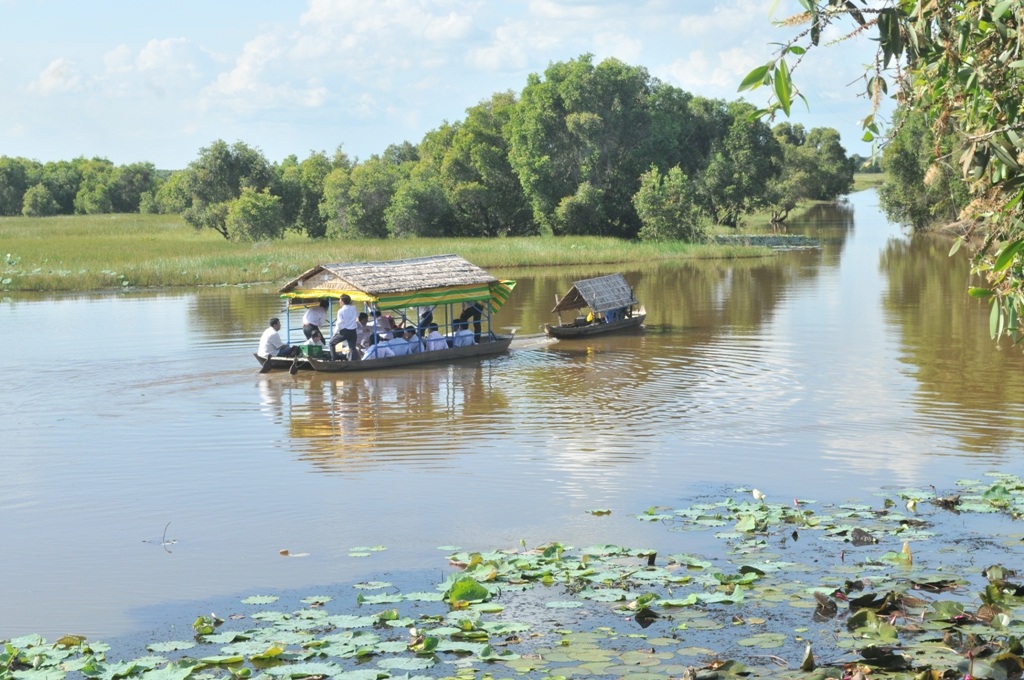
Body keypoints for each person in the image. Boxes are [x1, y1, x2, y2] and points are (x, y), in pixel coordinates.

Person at [327, 294, 359, 361]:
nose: (339, 301)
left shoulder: (341, 311)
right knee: (352, 348)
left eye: (340, 300)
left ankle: (333, 360)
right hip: (353, 331)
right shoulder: (354, 308)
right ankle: (352, 362)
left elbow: (339, 323)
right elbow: (357, 316)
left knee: (331, 343)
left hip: (345, 331)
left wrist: (334, 333)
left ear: (342, 301)